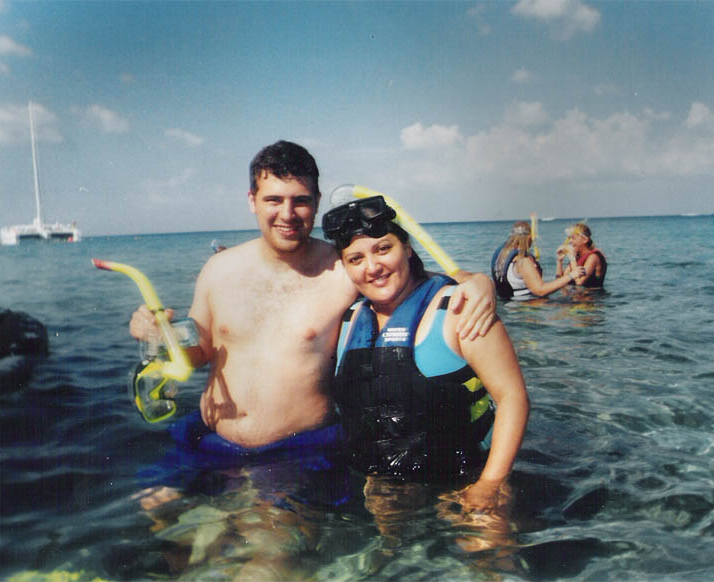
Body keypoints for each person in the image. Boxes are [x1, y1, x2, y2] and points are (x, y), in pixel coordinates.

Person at [127, 141, 496, 506]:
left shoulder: (343, 269)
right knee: (158, 517)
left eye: (300, 200)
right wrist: (159, 336)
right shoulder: (218, 270)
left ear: (316, 203)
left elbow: (415, 281)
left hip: (297, 454)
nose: (287, 214)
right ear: (252, 200)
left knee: (262, 556)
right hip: (210, 442)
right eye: (274, 199)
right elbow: (200, 352)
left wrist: (478, 282)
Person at [323, 196, 530, 514]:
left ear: (406, 248)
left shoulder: (461, 309)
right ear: (345, 267)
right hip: (379, 488)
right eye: (356, 259)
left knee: (485, 549)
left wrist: (489, 486)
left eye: (383, 249)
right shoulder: (346, 322)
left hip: (466, 480)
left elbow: (512, 397)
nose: (373, 267)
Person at [491, 221, 585, 301]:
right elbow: (541, 291)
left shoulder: (503, 254)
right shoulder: (523, 261)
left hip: (511, 306)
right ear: (528, 238)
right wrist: (572, 275)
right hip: (527, 308)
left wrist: (559, 261)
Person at [556, 222, 607, 288]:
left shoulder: (593, 257)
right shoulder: (576, 257)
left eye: (573, 238)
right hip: (576, 296)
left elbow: (579, 282)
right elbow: (560, 282)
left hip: (592, 297)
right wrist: (559, 261)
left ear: (585, 240)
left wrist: (572, 258)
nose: (570, 241)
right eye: (569, 238)